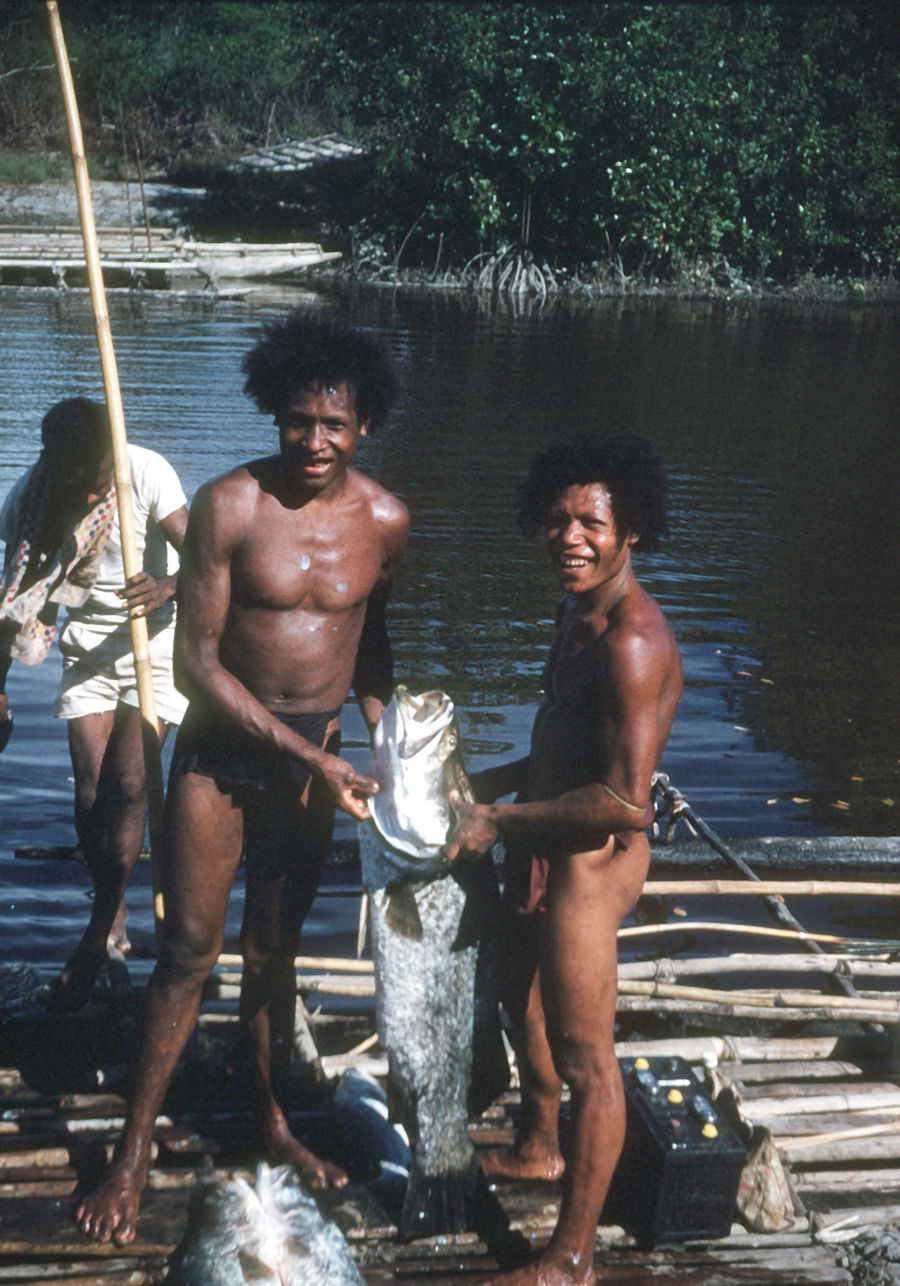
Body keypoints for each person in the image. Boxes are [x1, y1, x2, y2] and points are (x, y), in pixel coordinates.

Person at [74, 309, 410, 1246]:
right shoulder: (229, 506)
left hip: (319, 767)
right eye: (298, 421)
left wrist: (392, 744)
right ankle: (132, 1149)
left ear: (364, 426)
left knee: (274, 952)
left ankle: (270, 1124)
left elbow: (372, 648)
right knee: (187, 948)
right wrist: (310, 754)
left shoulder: (386, 521)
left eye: (333, 425)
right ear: (275, 415)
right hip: (224, 756)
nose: (313, 440)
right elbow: (198, 666)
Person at [444, 432, 682, 1286]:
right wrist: (465, 784)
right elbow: (559, 750)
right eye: (556, 519)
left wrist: (500, 822)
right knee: (520, 998)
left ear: (633, 533)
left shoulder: (632, 640)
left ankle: (572, 1258)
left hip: (592, 858)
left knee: (587, 1056)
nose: (570, 537)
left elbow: (624, 800)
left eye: (591, 522)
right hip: (548, 831)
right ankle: (541, 1145)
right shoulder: (574, 614)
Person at [0, 397, 188, 1010]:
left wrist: (166, 587)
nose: (79, 481)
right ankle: (114, 900)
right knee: (89, 792)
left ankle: (99, 925)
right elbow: (18, 601)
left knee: (130, 783)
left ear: (110, 447)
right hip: (87, 651)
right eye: (65, 466)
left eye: (89, 466)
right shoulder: (35, 495)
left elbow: (211, 557)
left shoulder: (147, 473)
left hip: (153, 645)